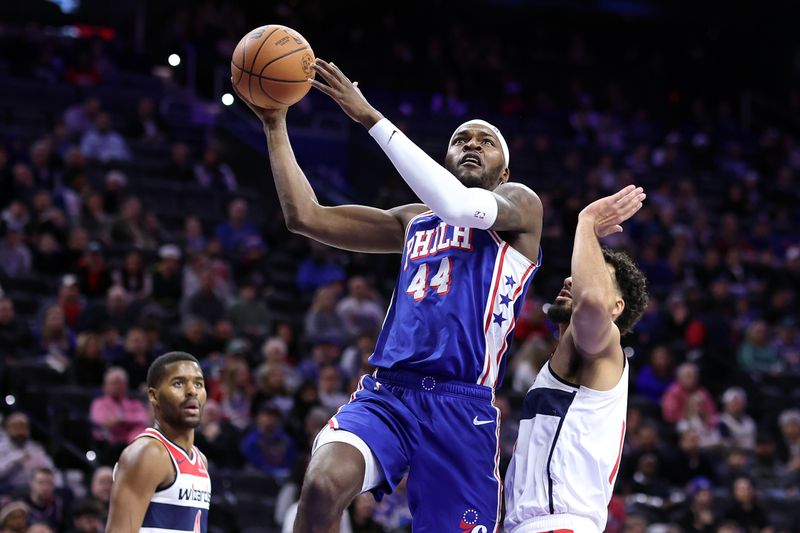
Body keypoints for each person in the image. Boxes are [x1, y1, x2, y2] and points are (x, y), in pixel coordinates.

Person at [236, 57, 543, 531]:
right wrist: (275, 123)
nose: (472, 145)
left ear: (504, 172)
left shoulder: (520, 207)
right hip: (388, 394)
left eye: (486, 142)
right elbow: (306, 217)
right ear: (443, 162)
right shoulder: (413, 220)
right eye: (461, 139)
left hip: (462, 408)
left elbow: (459, 206)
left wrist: (370, 118)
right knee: (320, 484)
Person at [504, 186, 649, 533]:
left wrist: (587, 222)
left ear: (617, 308)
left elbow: (592, 305)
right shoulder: (563, 362)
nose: (571, 278)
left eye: (591, 277)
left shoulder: (606, 347)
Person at [105, 352, 210, 533]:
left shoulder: (201, 459)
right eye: (178, 383)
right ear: (153, 395)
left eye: (198, 384)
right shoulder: (148, 453)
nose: (192, 390)